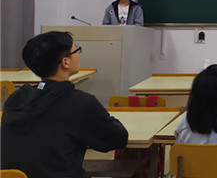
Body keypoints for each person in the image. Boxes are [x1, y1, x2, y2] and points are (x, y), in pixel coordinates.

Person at [0, 31, 128, 178]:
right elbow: (118, 139)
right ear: (65, 62)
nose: (78, 54)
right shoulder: (80, 103)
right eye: (76, 50)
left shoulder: (14, 99)